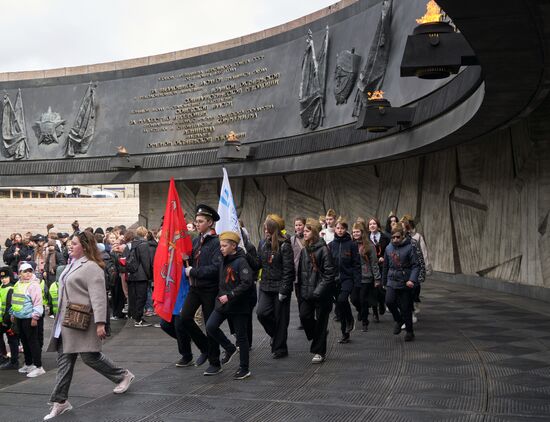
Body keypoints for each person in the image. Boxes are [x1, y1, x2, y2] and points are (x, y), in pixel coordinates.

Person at [44, 232, 134, 420]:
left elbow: (99, 297)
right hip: (66, 322)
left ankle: (122, 375)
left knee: (89, 357)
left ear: (84, 247)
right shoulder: (71, 264)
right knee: (65, 362)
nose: (70, 246)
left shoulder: (92, 267)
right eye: (70, 243)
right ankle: (60, 401)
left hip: (81, 320)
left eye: (74, 243)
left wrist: (100, 322)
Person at [181, 204, 228, 376]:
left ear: (210, 222)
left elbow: (215, 268)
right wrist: (185, 260)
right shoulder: (196, 241)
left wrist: (192, 271)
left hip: (209, 289)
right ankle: (205, 348)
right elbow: (192, 262)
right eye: (197, 221)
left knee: (210, 325)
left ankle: (215, 362)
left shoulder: (217, 242)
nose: (197, 224)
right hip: (195, 288)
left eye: (201, 221)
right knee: (185, 317)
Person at [206, 231, 254, 379]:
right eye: (221, 245)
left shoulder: (241, 261)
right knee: (210, 326)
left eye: (224, 245)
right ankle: (229, 347)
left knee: (241, 336)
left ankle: (244, 368)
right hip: (223, 302)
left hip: (238, 304)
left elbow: (247, 282)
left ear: (233, 246)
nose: (221, 248)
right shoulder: (223, 259)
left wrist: (231, 295)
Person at [256, 214, 295, 359]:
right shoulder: (262, 243)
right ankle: (276, 336)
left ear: (273, 229)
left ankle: (280, 348)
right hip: (265, 286)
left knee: (281, 318)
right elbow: (258, 264)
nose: (265, 229)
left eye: (267, 227)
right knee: (262, 313)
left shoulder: (285, 245)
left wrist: (284, 290)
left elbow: (288, 269)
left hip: (280, 288)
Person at [297, 218, 335, 363]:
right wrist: (301, 292)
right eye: (304, 231)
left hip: (321, 295)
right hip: (307, 293)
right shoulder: (305, 250)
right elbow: (301, 272)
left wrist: (318, 291)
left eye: (307, 231)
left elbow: (329, 274)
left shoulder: (324, 250)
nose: (303, 233)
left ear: (314, 232)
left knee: (321, 322)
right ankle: (319, 335)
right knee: (304, 316)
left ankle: (319, 351)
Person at [382, 225, 420, 342]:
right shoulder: (388, 248)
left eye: (398, 237)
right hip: (392, 280)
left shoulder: (409, 247)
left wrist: (412, 280)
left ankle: (410, 331)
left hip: (405, 281)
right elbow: (386, 266)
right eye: (393, 237)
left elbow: (415, 265)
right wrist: (384, 282)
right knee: (389, 301)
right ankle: (398, 320)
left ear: (402, 236)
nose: (395, 239)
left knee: (405, 308)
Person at [329, 219, 361, 344]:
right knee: (340, 305)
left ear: (346, 229)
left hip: (348, 278)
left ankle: (350, 319)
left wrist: (357, 283)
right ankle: (344, 333)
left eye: (342, 228)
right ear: (335, 229)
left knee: (342, 300)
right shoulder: (331, 245)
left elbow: (357, 264)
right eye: (338, 228)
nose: (340, 230)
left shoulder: (352, 244)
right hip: (335, 279)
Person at [10, 262, 44, 377]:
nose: (28, 274)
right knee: (24, 342)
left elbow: (38, 302)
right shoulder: (18, 284)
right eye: (25, 271)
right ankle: (29, 364)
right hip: (19, 317)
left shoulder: (34, 285)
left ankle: (38, 366)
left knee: (33, 342)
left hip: (29, 318)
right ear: (20, 273)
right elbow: (14, 300)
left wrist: (35, 317)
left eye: (30, 271)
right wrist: (12, 313)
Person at [159, 269, 194, 367]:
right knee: (164, 324)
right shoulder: (168, 261)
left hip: (184, 296)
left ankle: (187, 356)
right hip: (171, 298)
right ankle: (186, 339)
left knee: (179, 325)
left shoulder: (185, 260)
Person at [351, 223, 382, 331]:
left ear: (362, 232)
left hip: (366, 276)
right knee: (354, 299)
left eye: (357, 231)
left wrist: (377, 278)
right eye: (354, 232)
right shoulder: (351, 244)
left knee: (363, 299)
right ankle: (360, 311)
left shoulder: (370, 245)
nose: (355, 233)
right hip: (354, 277)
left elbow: (374, 263)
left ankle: (365, 322)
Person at [125, 227, 153, 327]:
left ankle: (136, 317)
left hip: (132, 274)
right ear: (145, 234)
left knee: (134, 297)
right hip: (141, 276)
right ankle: (138, 319)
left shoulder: (132, 244)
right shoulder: (144, 245)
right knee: (142, 297)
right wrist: (149, 275)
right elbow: (146, 262)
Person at [368, 217, 390, 319]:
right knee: (372, 289)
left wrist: (384, 257)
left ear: (378, 226)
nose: (372, 225)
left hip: (382, 266)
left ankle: (381, 302)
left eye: (374, 224)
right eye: (370, 224)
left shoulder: (385, 237)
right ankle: (375, 312)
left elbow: (389, 250)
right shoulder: (366, 238)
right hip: (370, 266)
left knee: (380, 288)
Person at [0, 267, 19, 370]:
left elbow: (9, 306)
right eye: (2, 277)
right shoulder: (1, 287)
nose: (4, 279)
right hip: (1, 319)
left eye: (6, 277)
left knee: (12, 340)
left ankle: (14, 361)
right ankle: (4, 357)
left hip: (7, 320)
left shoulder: (11, 288)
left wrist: (5, 321)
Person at [290, 217, 306, 330]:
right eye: (296, 225)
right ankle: (302, 319)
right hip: (297, 274)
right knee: (299, 297)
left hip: (308, 273)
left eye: (300, 225)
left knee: (308, 297)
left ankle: (308, 317)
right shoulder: (292, 240)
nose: (298, 227)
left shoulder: (309, 238)